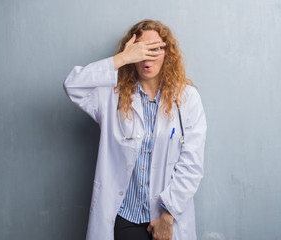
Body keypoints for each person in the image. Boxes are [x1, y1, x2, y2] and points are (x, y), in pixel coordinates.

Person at [63, 19, 207, 240]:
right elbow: (73, 85)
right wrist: (123, 58)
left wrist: (168, 217)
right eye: (141, 49)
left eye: (155, 49)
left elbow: (192, 165)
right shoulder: (112, 96)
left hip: (166, 218)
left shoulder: (187, 99)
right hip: (125, 218)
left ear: (167, 53)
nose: (147, 56)